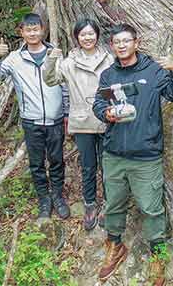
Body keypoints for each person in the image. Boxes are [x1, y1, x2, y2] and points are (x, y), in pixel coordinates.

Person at [92, 23, 173, 286]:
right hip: (114, 153)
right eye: (116, 42)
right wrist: (105, 113)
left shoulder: (153, 71)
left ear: (136, 42)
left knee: (150, 208)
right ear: (112, 46)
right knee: (113, 204)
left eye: (126, 41)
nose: (121, 45)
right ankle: (115, 245)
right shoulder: (109, 75)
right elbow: (99, 103)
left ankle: (158, 255)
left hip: (146, 155)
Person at [0, 13, 70, 220]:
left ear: (43, 30)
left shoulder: (55, 54)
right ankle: (44, 199)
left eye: (36, 29)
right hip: (31, 121)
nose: (32, 33)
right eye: (28, 29)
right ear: (21, 32)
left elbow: (65, 85)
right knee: (36, 163)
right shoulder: (15, 58)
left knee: (57, 160)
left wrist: (67, 113)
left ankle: (58, 196)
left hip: (56, 119)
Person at [44, 18, 114, 231]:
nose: (87, 37)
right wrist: (50, 60)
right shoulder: (68, 62)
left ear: (97, 35)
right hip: (83, 121)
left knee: (108, 165)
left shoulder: (109, 59)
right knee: (88, 166)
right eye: (83, 34)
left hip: (107, 119)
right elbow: (50, 80)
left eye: (91, 33)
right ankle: (90, 204)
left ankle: (109, 205)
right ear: (77, 37)